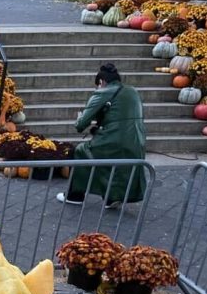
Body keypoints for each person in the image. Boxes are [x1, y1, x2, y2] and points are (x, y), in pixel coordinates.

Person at [57, 63, 147, 208]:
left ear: (101, 82)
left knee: (80, 151)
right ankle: (112, 198)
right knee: (111, 161)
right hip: (137, 141)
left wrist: (82, 116)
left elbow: (80, 125)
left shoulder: (103, 92)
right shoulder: (132, 91)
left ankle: (75, 196)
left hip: (114, 141)